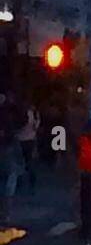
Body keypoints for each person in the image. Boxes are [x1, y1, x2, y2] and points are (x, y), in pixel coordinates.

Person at [0, 92, 23, 228]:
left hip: (7, 149)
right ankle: (5, 214)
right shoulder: (9, 116)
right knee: (8, 185)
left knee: (6, 183)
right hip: (8, 150)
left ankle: (5, 213)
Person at [17, 103, 40, 193]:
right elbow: (36, 127)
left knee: (19, 162)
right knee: (30, 163)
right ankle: (31, 184)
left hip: (20, 139)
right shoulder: (35, 113)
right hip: (30, 139)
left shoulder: (19, 112)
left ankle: (19, 183)